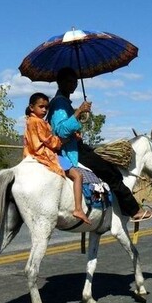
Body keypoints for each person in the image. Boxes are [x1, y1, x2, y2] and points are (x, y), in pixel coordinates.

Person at [47, 67, 152, 223]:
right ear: (59, 82)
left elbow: (65, 128)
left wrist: (78, 120)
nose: (73, 85)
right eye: (68, 81)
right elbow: (61, 131)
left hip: (75, 145)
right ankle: (133, 210)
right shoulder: (59, 103)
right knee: (111, 172)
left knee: (110, 170)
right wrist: (78, 113)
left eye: (75, 81)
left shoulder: (63, 102)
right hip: (72, 151)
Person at [23, 92, 90, 225]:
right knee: (78, 176)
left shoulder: (30, 120)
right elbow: (52, 142)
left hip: (30, 154)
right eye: (41, 107)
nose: (44, 110)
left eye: (46, 108)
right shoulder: (38, 122)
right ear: (31, 107)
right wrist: (69, 138)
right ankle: (78, 209)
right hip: (46, 155)